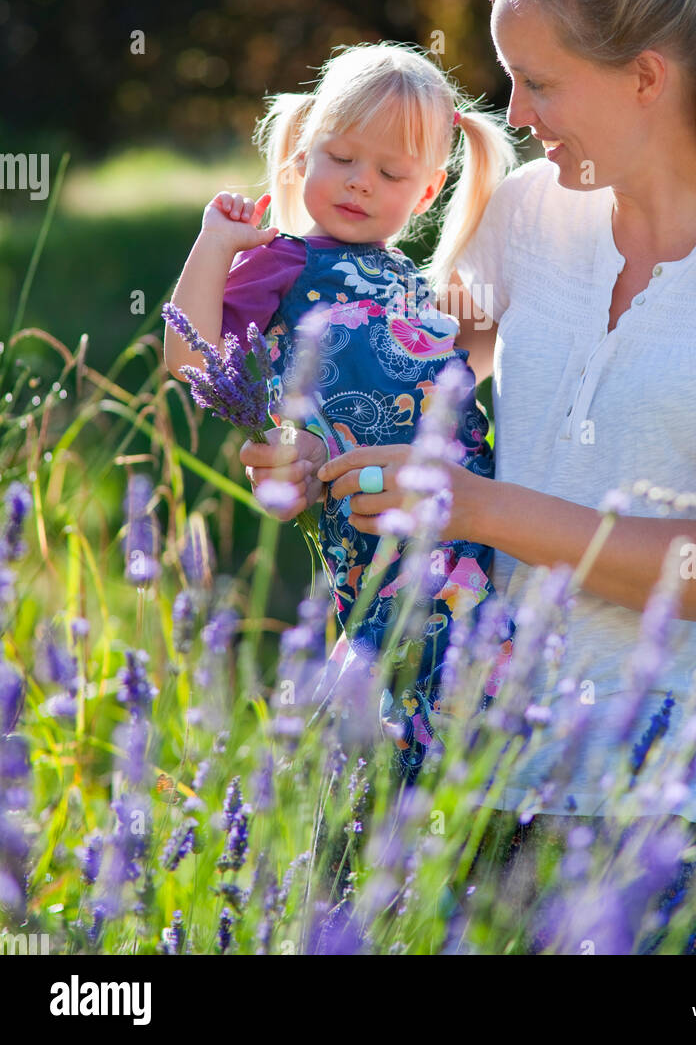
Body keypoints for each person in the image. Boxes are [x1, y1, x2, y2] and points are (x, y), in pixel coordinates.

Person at [241, 0, 696, 947]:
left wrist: (482, 509)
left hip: (624, 814)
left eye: (540, 82)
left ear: (645, 76)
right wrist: (312, 440)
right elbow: (409, 379)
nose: (518, 114)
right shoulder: (531, 209)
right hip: (428, 768)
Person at [165, 41, 517, 778]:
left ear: (426, 194)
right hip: (371, 525)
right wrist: (214, 244)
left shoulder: (417, 284)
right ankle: (385, 836)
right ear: (300, 157)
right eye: (341, 158)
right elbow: (191, 360)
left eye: (390, 173)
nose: (360, 184)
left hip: (471, 522)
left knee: (474, 682)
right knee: (395, 670)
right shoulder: (287, 262)